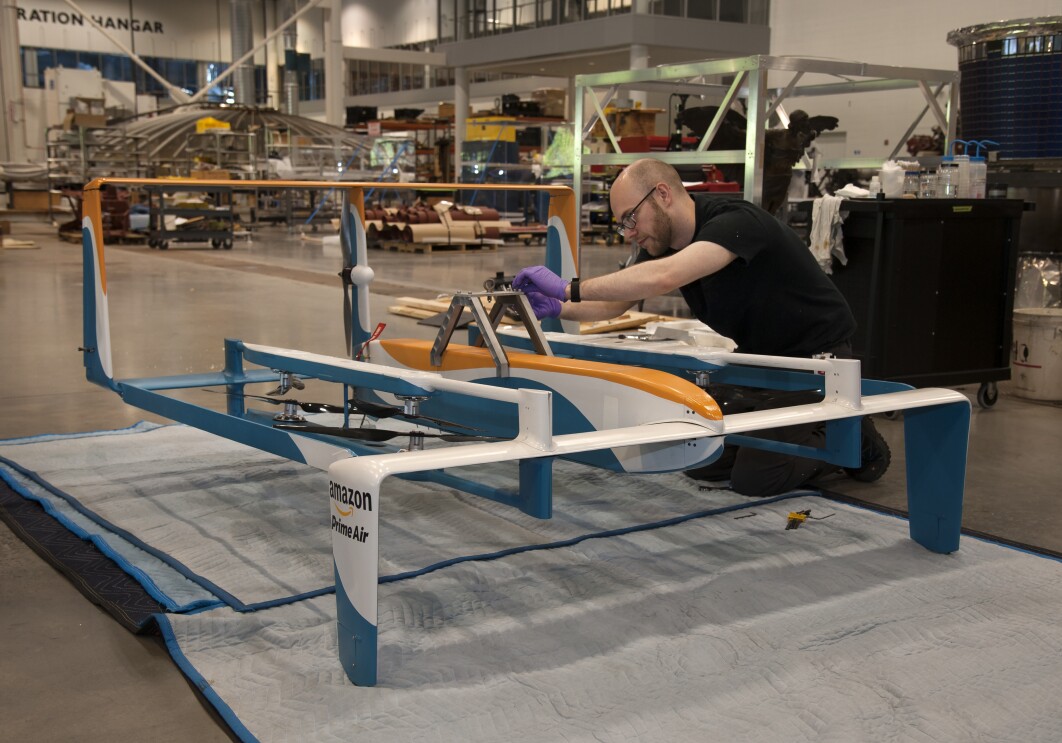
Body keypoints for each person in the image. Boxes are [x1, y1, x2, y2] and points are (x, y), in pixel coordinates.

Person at [513, 157, 889, 497]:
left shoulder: (736, 223)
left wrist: (568, 286)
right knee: (703, 461)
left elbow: (663, 277)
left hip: (815, 360)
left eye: (630, 218)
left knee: (757, 479)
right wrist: (557, 307)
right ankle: (789, 429)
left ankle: (853, 437)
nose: (628, 232)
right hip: (760, 360)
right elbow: (615, 302)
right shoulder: (662, 243)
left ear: (662, 194)